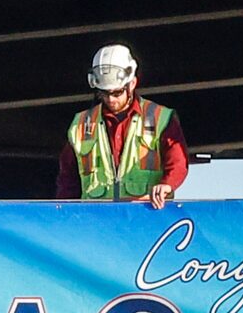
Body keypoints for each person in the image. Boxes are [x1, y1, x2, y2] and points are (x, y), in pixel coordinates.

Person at [55, 42, 188, 206]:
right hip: (97, 221)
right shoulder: (80, 125)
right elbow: (68, 178)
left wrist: (167, 184)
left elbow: (178, 162)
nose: (111, 99)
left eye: (117, 92)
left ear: (132, 84)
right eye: (104, 93)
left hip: (145, 217)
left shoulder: (160, 118)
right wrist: (66, 213)